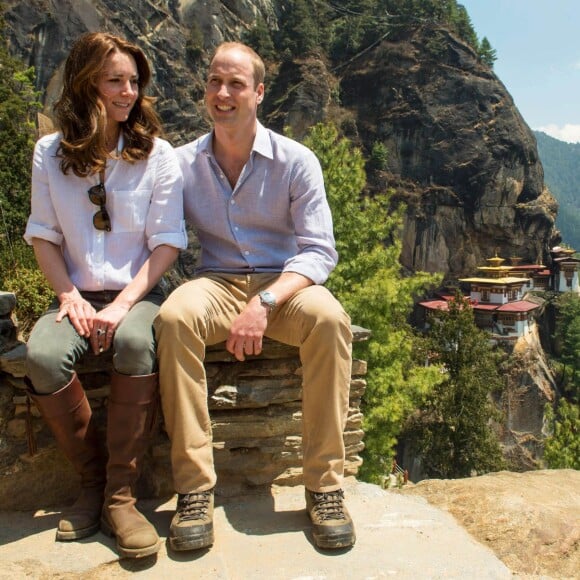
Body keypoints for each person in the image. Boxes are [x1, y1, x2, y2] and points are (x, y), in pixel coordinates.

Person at [154, 41, 355, 552]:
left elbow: (317, 252)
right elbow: (151, 230)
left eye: (236, 84)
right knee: (174, 317)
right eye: (215, 82)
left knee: (331, 321)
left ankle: (324, 487)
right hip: (216, 282)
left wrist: (263, 304)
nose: (223, 93)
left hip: (284, 286)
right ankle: (195, 490)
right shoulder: (180, 165)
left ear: (259, 93)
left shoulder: (296, 161)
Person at [24, 32, 187, 559]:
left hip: (139, 293)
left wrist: (120, 306)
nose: (127, 92)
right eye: (114, 79)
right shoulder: (49, 153)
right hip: (76, 293)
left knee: (138, 344)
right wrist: (68, 296)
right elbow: (43, 235)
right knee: (43, 355)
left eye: (134, 82)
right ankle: (91, 484)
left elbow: (166, 244)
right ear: (84, 81)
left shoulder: (157, 155)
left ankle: (121, 497)